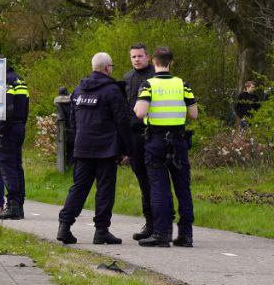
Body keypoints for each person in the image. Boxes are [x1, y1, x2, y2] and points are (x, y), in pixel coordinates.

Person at [56, 53, 131, 245]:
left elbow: (73, 120)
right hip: (106, 148)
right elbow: (122, 121)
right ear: (107, 68)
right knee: (105, 189)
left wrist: (78, 140)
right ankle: (101, 231)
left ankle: (64, 226)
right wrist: (126, 149)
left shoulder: (79, 90)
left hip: (82, 146)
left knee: (79, 187)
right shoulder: (112, 90)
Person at [134, 46, 198, 247]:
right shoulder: (183, 85)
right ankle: (186, 235)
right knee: (183, 188)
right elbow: (194, 114)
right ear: (171, 63)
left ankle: (162, 234)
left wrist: (139, 106)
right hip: (178, 140)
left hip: (156, 141)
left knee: (159, 187)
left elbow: (140, 112)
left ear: (154, 62)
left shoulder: (148, 85)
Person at [122, 43, 156, 239]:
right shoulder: (127, 78)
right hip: (134, 136)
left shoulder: (156, 77)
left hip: (154, 134)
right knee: (143, 181)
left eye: (140, 56)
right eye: (133, 56)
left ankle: (160, 223)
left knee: (156, 180)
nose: (136, 59)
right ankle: (149, 222)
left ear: (148, 57)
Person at [0, 65, 30, 220]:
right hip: (19, 126)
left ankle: (12, 205)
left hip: (8, 129)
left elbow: (8, 107)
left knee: (7, 166)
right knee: (17, 166)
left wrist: (0, 130)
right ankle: (19, 205)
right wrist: (22, 124)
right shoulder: (20, 80)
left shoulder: (5, 81)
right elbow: (26, 106)